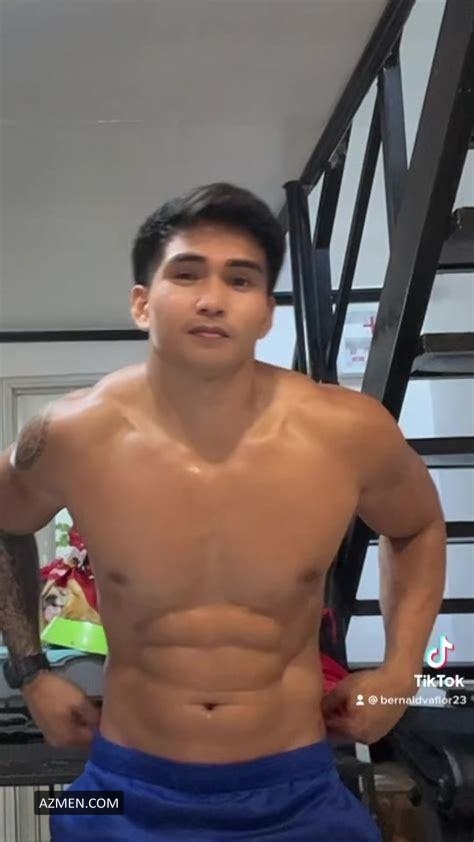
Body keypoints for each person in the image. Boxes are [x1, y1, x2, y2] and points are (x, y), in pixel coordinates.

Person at [0, 183, 446, 840]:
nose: (212, 298)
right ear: (142, 303)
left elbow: (418, 527)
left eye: (240, 280)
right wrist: (31, 672)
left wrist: (399, 673)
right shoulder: (70, 434)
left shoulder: (348, 432)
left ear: (266, 314)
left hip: (298, 788)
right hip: (122, 788)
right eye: (187, 274)